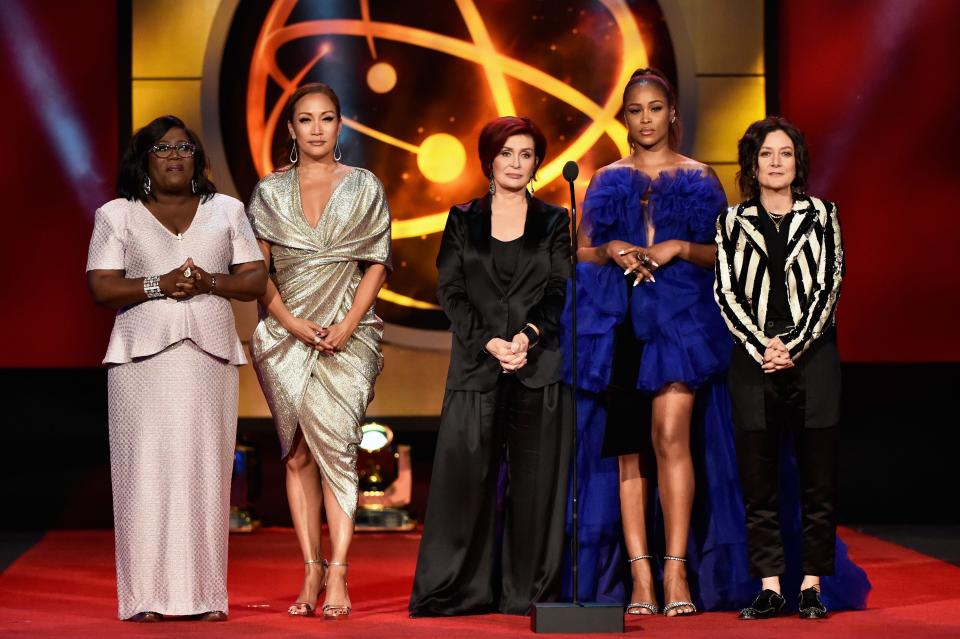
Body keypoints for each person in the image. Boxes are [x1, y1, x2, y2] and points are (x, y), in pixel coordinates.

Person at [564, 68, 734, 616]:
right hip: (618, 321)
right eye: (635, 110)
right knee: (629, 448)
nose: (645, 119)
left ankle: (676, 570)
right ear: (625, 117)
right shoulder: (607, 177)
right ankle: (640, 579)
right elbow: (582, 252)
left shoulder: (701, 177)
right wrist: (613, 246)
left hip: (682, 322)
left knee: (670, 435)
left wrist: (680, 246)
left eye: (655, 108)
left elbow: (726, 254)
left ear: (671, 112)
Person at [86, 115, 267, 622]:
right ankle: (143, 598)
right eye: (162, 148)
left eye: (184, 147)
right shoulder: (117, 215)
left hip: (208, 355)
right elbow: (101, 286)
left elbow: (253, 279)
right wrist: (156, 284)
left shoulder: (227, 210)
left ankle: (205, 597)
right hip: (140, 359)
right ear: (143, 159)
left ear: (197, 158)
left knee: (205, 472)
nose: (173, 155)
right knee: (141, 472)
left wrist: (210, 281)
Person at [408, 116, 572, 616]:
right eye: (507, 153)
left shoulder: (555, 221)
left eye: (526, 154)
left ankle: (525, 593)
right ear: (489, 160)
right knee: (467, 481)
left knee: (534, 485)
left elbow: (558, 291)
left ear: (537, 163)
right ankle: (460, 589)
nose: (516, 163)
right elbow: (450, 291)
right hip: (477, 367)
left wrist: (525, 338)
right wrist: (491, 343)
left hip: (538, 365)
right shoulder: (463, 219)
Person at [247, 82, 391, 619]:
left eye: (325, 118)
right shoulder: (267, 192)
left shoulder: (364, 186)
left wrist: (348, 323)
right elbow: (257, 272)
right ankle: (310, 568)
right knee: (298, 451)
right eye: (304, 120)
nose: (315, 129)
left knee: (339, 451)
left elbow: (377, 261)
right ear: (290, 129)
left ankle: (339, 573)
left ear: (339, 125)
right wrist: (290, 322)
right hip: (284, 337)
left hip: (348, 337)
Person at [715, 116, 845, 620]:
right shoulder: (731, 221)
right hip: (753, 360)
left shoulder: (824, 214)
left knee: (818, 479)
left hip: (813, 359)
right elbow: (725, 292)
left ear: (798, 162)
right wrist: (761, 346)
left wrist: (792, 345)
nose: (775, 162)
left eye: (784, 153)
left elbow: (829, 286)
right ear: (751, 163)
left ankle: (811, 585)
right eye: (766, 154)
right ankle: (769, 586)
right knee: (758, 479)